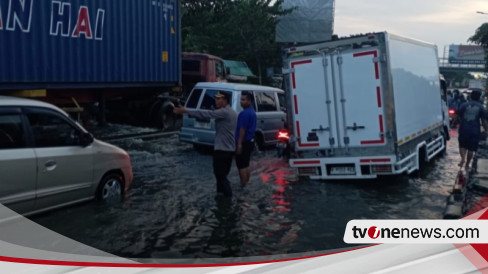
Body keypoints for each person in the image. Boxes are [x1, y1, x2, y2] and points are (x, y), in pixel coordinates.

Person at [173, 92, 237, 197]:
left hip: (223, 150)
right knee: (220, 175)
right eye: (215, 99)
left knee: (221, 176)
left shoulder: (225, 112)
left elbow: (207, 114)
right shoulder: (232, 112)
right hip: (227, 149)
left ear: (225, 100)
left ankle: (229, 200)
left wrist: (186, 111)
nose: (216, 101)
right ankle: (220, 196)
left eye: (218, 99)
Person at [455, 89, 488, 170]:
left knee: (462, 145)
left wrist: (454, 124)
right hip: (474, 131)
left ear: (470, 96)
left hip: (463, 129)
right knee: (471, 148)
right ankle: (467, 164)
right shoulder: (481, 107)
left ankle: (462, 159)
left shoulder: (463, 105)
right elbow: (483, 122)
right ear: (479, 98)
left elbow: (456, 117)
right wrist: (487, 130)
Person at [235, 92, 257, 186]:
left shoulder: (244, 114)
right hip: (250, 141)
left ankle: (243, 185)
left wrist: (239, 144)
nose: (241, 102)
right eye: (241, 99)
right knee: (246, 164)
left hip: (244, 142)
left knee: (241, 165)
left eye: (243, 100)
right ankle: (246, 183)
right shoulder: (252, 112)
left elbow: (242, 129)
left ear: (249, 101)